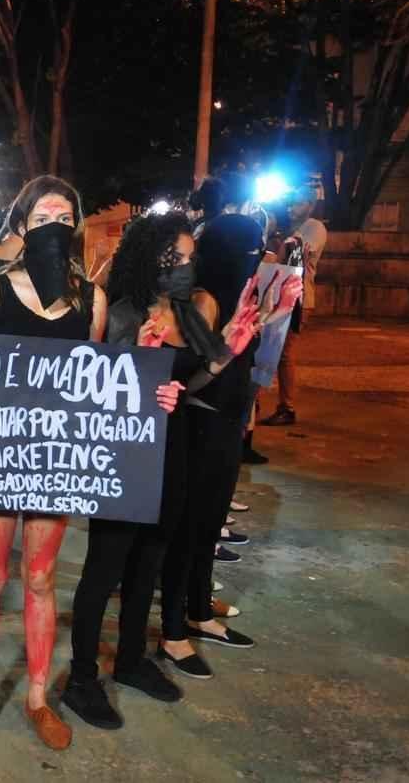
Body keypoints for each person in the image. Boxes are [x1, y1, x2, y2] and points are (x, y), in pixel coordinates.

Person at [0, 176, 177, 749]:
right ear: (22, 227)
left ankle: (37, 698)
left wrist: (153, 389)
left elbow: (101, 387)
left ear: (75, 227)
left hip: (57, 459)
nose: (54, 225)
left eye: (64, 216)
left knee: (38, 578)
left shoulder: (93, 301)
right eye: (42, 218)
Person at [61, 211, 262, 730]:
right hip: (121, 459)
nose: (185, 268)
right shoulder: (122, 313)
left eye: (190, 259)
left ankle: (130, 662)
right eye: (176, 259)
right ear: (151, 258)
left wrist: (224, 357)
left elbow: (189, 386)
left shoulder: (189, 313)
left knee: (148, 563)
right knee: (102, 572)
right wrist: (138, 363)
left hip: (173, 457)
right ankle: (80, 679)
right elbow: (93, 388)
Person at [157, 171, 296, 679]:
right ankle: (173, 632)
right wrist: (226, 352)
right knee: (187, 531)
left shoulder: (236, 297)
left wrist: (273, 314)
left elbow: (248, 360)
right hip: (198, 429)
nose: (256, 259)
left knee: (209, 528)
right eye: (249, 251)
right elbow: (183, 382)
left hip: (225, 429)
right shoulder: (201, 302)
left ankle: (198, 611)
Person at [259, 185, 326, 427]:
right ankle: (261, 402)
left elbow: (293, 252)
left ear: (309, 204)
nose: (291, 208)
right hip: (280, 294)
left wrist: (274, 246)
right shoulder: (291, 228)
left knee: (284, 354)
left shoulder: (314, 227)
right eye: (290, 203)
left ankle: (286, 407)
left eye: (296, 203)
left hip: (297, 298)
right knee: (268, 349)